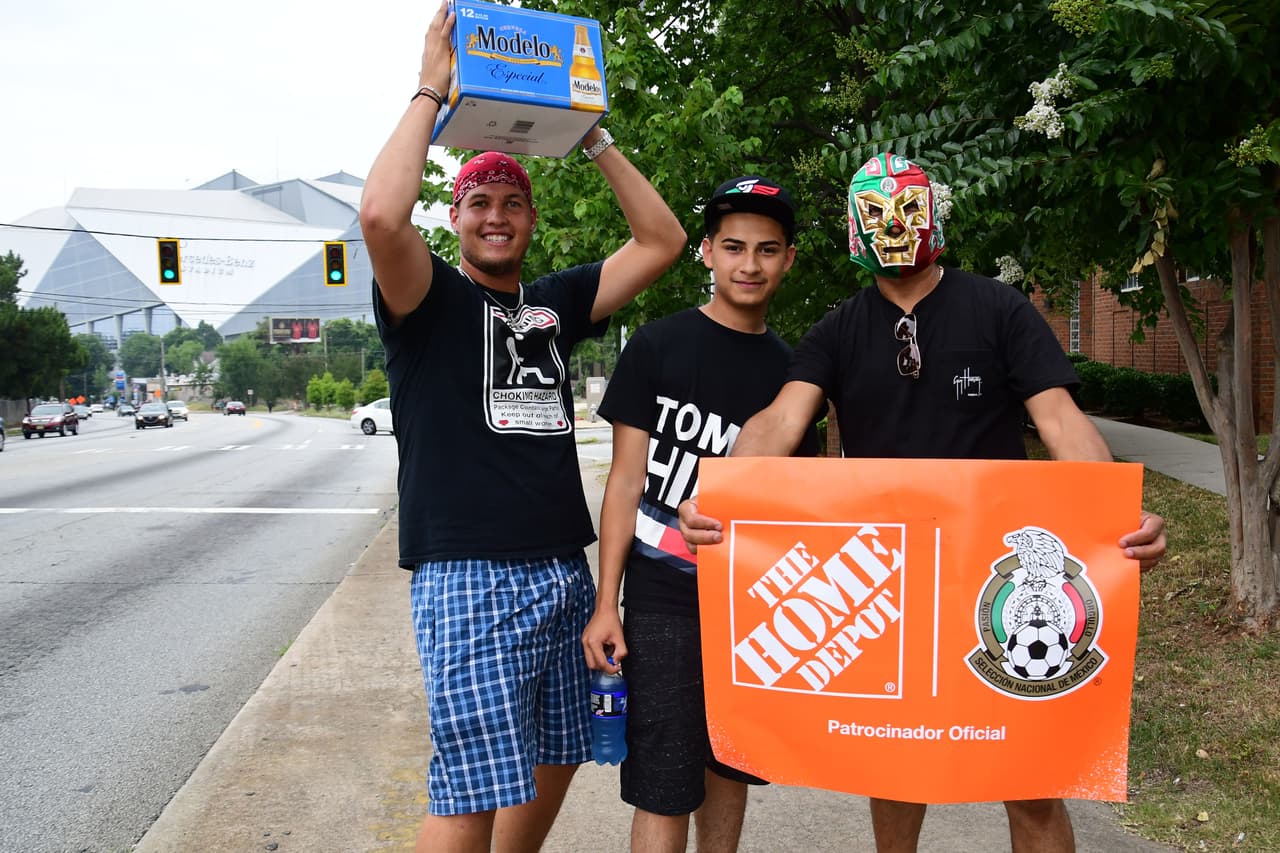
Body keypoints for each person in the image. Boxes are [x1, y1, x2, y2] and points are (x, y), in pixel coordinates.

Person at [677, 152, 1168, 853]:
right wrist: (717, 492)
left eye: (907, 209)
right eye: (875, 213)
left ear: (933, 213)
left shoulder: (998, 308)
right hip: (894, 579)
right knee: (897, 765)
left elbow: (1061, 422)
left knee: (1030, 778)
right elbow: (780, 422)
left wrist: (1118, 520)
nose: (894, 227)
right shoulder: (839, 326)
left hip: (991, 575)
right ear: (854, 227)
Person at [359, 4, 687, 851]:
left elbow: (662, 240)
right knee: (469, 786)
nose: (496, 215)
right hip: (467, 574)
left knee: (554, 756)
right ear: (457, 219)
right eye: (479, 203)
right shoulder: (425, 299)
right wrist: (432, 90)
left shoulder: (552, 304)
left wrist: (592, 137)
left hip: (559, 573)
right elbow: (380, 219)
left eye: (512, 202)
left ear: (531, 218)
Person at [582, 176, 819, 853]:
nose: (750, 265)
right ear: (708, 253)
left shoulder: (797, 375)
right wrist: (607, 605)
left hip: (751, 608)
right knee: (663, 784)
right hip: (662, 604)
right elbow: (625, 482)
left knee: (729, 767)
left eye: (768, 250)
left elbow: (801, 501)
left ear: (789, 259)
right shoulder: (658, 345)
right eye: (735, 246)